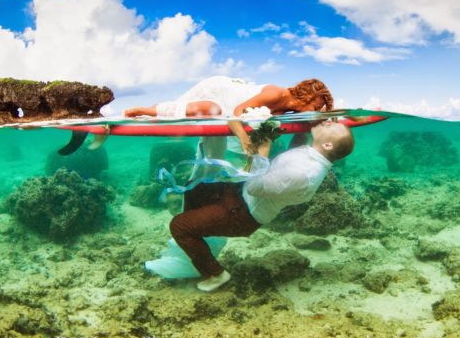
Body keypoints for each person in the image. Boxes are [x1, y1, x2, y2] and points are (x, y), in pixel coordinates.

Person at [168, 120, 355, 292]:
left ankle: (216, 274)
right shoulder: (312, 155)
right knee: (194, 189)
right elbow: (294, 154)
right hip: (239, 196)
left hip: (242, 213)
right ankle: (199, 242)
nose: (329, 122)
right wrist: (301, 131)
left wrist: (263, 149)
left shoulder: (303, 173)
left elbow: (254, 187)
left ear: (328, 145)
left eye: (332, 126)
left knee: (179, 226)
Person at [123, 76, 335, 161]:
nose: (313, 111)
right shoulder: (275, 94)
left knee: (209, 113)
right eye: (315, 106)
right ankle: (147, 110)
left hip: (230, 106)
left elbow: (266, 137)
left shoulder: (285, 111)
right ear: (307, 96)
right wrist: (244, 141)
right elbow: (236, 113)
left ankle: (151, 110)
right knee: (212, 109)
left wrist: (259, 164)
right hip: (221, 93)